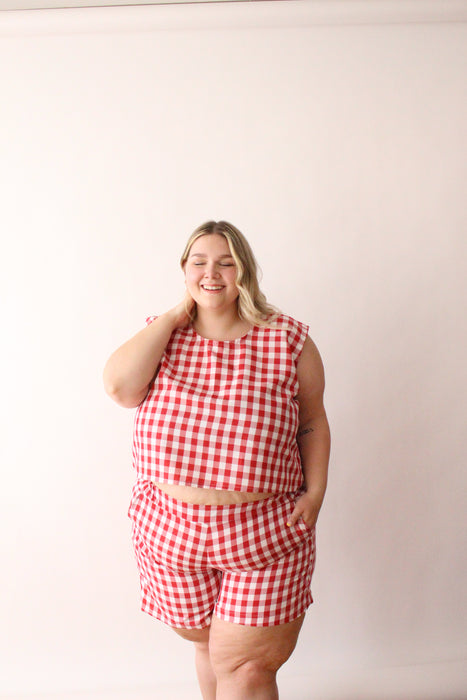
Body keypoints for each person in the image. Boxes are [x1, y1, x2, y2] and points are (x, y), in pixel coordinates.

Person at [103, 220, 330, 700]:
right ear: (183, 270)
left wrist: (315, 494)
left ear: (244, 271)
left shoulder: (288, 341)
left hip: (264, 531)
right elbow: (119, 389)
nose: (212, 273)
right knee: (207, 645)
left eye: (226, 262)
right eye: (199, 262)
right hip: (171, 532)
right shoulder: (163, 338)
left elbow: (311, 423)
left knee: (244, 668)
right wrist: (171, 318)